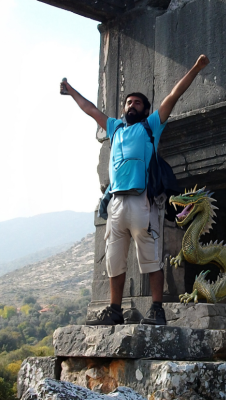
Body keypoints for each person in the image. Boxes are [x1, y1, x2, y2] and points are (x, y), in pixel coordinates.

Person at [60, 54, 210, 325]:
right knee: (114, 261)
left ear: (145, 109)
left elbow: (174, 96)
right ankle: (114, 310)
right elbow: (90, 109)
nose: (132, 105)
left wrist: (196, 68)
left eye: (137, 103)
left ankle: (156, 310)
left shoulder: (151, 126)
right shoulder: (115, 128)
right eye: (128, 102)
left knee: (151, 258)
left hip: (144, 201)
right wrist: (70, 91)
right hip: (116, 203)